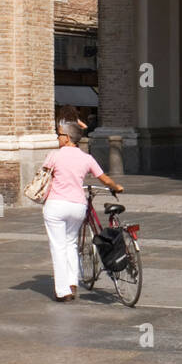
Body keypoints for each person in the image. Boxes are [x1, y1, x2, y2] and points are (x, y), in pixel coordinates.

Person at [41, 120, 122, 302]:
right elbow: (105, 179)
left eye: (60, 134)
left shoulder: (54, 155)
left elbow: (43, 175)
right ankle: (72, 282)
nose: (58, 137)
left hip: (56, 205)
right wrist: (116, 187)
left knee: (58, 247)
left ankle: (63, 291)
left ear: (68, 138)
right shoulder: (87, 158)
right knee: (71, 244)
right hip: (77, 206)